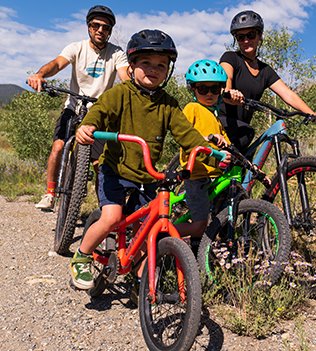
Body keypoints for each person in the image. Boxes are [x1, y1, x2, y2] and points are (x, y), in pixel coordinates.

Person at [69, 30, 230, 290]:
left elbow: (187, 134)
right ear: (131, 66)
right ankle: (82, 256)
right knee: (111, 218)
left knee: (147, 232)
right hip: (116, 170)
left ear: (167, 71)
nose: (153, 70)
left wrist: (211, 151)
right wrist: (87, 127)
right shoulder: (120, 94)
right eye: (146, 63)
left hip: (148, 176)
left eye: (160, 66)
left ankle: (142, 281)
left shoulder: (168, 104)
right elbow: (99, 111)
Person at [27, 5, 130, 210]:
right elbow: (56, 64)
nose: (101, 30)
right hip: (74, 107)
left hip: (100, 113)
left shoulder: (116, 53)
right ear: (88, 27)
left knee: (100, 164)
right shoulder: (76, 48)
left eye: (106, 27)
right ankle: (50, 193)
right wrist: (40, 75)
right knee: (57, 148)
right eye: (96, 25)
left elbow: (125, 76)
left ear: (110, 31)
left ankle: (105, 208)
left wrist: (134, 91)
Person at [219, 10, 316, 154]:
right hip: (220, 122)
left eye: (250, 35)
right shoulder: (231, 58)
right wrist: (229, 92)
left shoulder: (265, 71)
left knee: (247, 166)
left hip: (241, 132)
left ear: (259, 36)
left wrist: (311, 113)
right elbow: (226, 78)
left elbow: (288, 94)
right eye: (240, 36)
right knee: (247, 134)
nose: (246, 40)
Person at [174, 59, 235, 255]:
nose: (209, 94)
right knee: (200, 224)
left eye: (215, 89)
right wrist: (208, 138)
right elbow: (183, 135)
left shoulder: (215, 117)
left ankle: (196, 252)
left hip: (212, 176)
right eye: (203, 89)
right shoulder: (192, 109)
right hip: (196, 175)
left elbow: (227, 144)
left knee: (204, 217)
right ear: (193, 89)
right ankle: (161, 235)